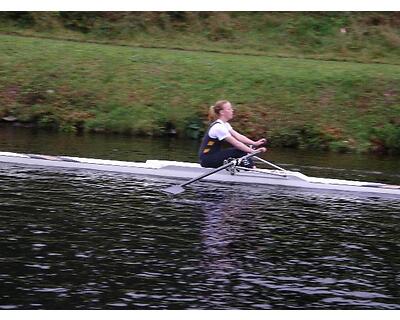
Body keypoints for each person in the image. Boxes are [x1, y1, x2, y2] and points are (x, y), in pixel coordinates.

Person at [198, 100, 267, 168]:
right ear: (222, 112)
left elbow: (239, 137)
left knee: (241, 153)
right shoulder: (218, 127)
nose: (232, 110)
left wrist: (254, 143)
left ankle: (249, 170)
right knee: (239, 151)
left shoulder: (225, 124)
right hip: (207, 159)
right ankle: (252, 171)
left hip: (213, 157)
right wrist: (253, 151)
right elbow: (236, 144)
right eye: (229, 109)